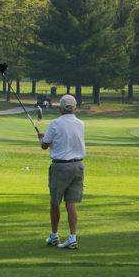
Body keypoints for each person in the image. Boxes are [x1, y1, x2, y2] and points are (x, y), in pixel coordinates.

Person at [38, 94, 86, 250]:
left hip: (61, 167)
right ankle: (72, 237)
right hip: (78, 166)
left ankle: (54, 235)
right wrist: (47, 139)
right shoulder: (80, 123)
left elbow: (45, 146)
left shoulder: (55, 123)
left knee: (55, 203)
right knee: (71, 203)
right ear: (74, 108)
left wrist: (42, 139)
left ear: (60, 108)